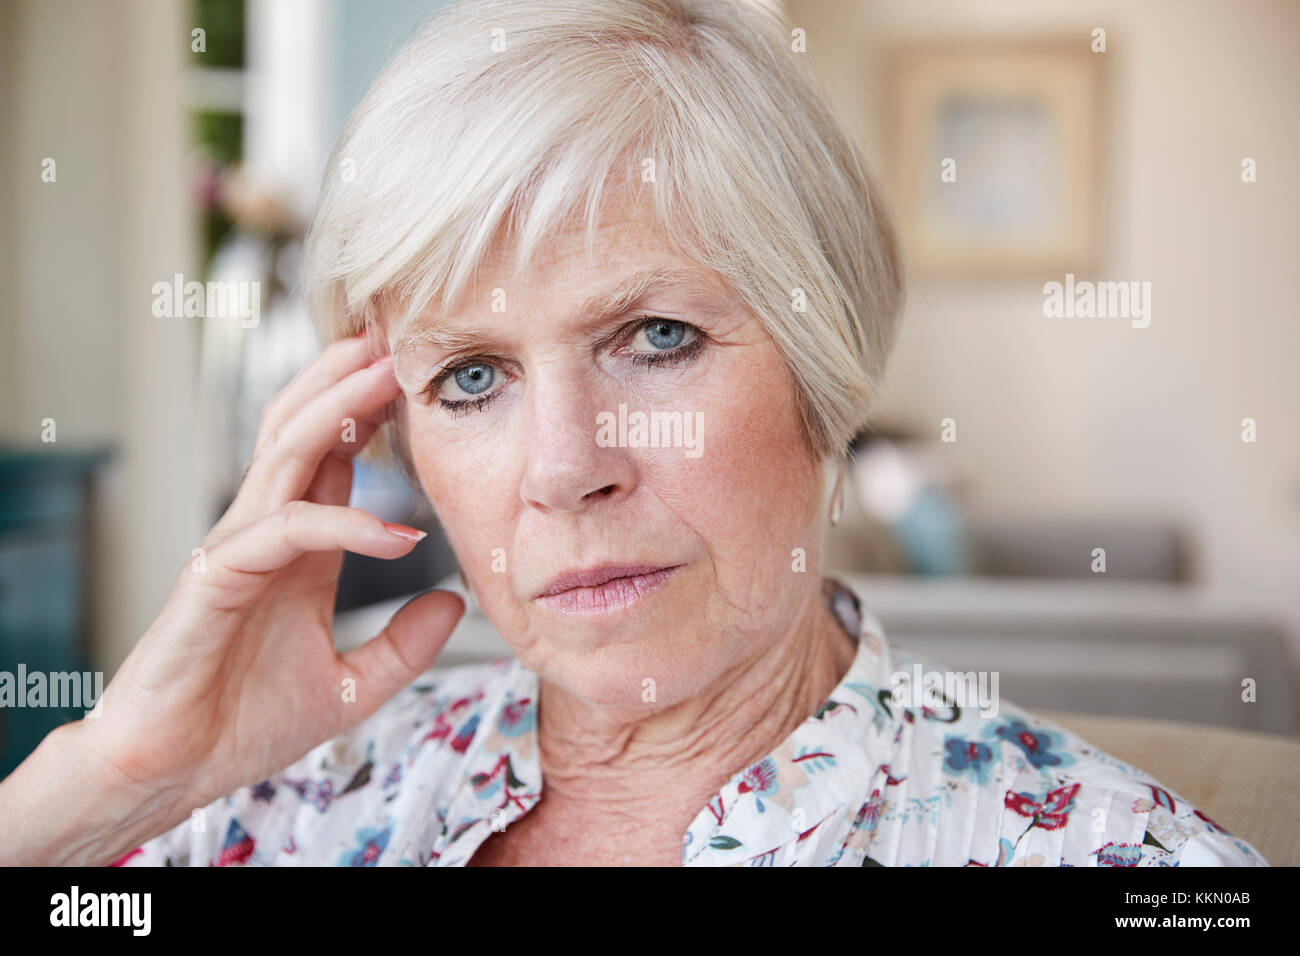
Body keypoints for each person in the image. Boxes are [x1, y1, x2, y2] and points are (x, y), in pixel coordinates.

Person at [0, 0, 1266, 867]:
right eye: (472, 374)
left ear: (823, 374)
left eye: (655, 336)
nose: (562, 466)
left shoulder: (1117, 856)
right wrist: (116, 776)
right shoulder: (287, 806)